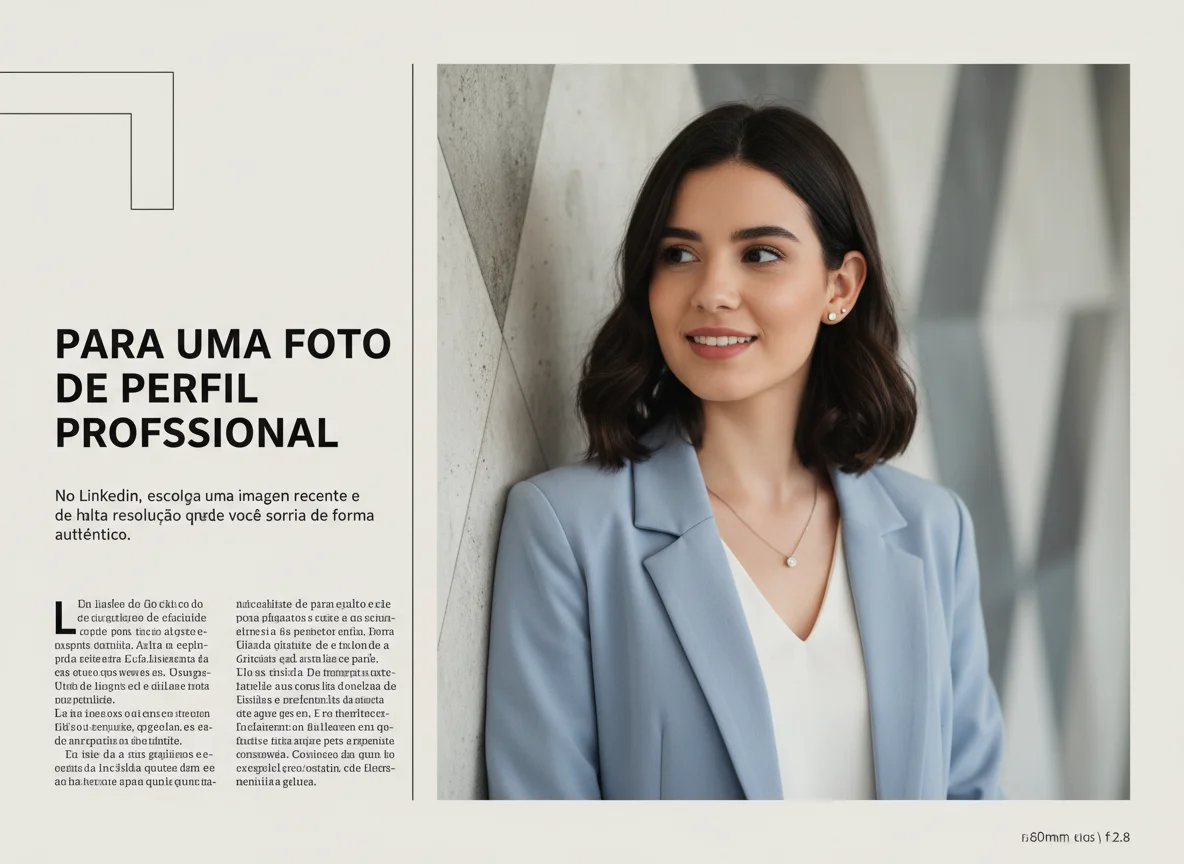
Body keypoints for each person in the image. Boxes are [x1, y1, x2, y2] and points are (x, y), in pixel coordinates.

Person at [483, 103, 1005, 800]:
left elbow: (973, 803)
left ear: (840, 287)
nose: (712, 292)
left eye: (760, 254)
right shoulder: (568, 530)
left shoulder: (935, 530)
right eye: (679, 254)